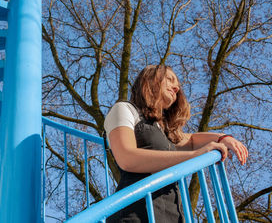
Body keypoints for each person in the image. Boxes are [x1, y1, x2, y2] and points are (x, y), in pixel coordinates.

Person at [105, 65, 248, 223]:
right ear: (149, 80)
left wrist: (222, 138)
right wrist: (193, 156)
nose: (176, 87)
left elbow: (192, 140)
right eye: (170, 79)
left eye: (178, 85)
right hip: (134, 215)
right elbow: (127, 158)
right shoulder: (124, 109)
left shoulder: (162, 131)